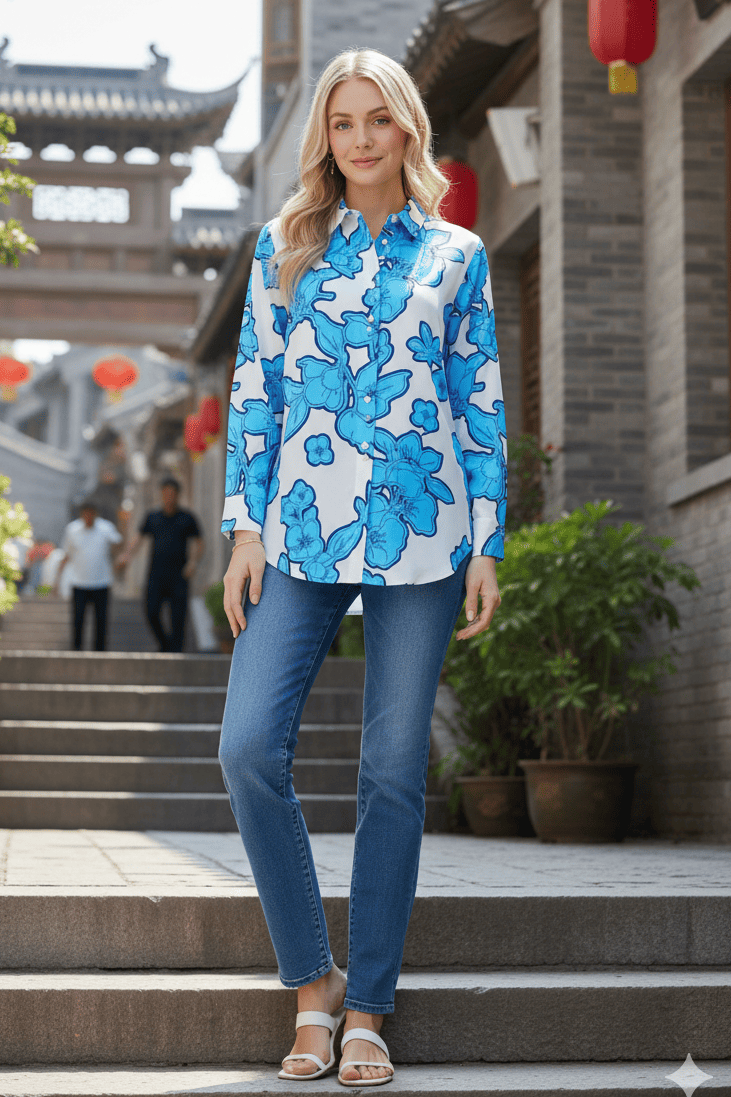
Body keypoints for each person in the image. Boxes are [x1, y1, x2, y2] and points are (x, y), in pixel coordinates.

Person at [218, 48, 507, 1087]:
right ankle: (312, 983)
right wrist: (244, 527)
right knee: (248, 744)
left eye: (376, 120)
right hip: (297, 532)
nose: (359, 139)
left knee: (391, 770)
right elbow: (253, 391)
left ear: (407, 130)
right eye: (342, 124)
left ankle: (368, 1006)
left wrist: (486, 542)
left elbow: (478, 403)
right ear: (325, 140)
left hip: (425, 536)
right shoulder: (286, 250)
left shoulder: (458, 256)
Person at [117, 478, 204, 653]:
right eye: (166, 493)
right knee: (151, 611)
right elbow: (138, 539)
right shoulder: (152, 517)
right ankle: (165, 644)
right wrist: (126, 556)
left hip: (179, 575)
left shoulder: (187, 518)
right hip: (156, 575)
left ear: (178, 495)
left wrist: (193, 563)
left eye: (172, 494)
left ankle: (176, 652)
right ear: (162, 494)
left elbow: (199, 542)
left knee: (178, 617)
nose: (169, 497)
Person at [52, 500, 124, 651]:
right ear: (81, 514)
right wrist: (57, 581)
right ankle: (76, 652)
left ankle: (100, 653)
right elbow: (66, 555)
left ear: (96, 514)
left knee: (101, 622)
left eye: (91, 514)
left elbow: (118, 544)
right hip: (79, 583)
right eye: (86, 514)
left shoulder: (106, 528)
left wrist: (124, 522)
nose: (88, 517)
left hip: (102, 583)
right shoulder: (72, 529)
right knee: (78, 621)